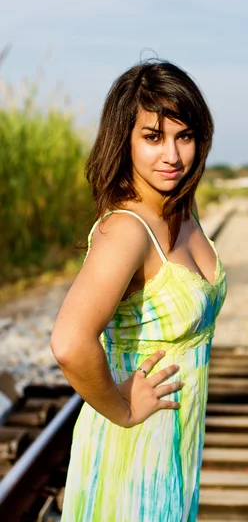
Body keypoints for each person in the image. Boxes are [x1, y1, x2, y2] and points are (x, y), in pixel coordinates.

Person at [50, 59, 227, 521]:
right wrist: (122, 409)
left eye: (183, 136)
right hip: (134, 445)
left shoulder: (181, 212)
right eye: (153, 137)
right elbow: (69, 343)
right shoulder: (127, 230)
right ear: (124, 140)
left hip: (176, 440)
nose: (172, 154)